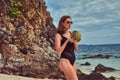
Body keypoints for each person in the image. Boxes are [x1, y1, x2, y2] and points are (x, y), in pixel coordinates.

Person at [55, 15, 79, 80]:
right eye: (68, 22)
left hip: (73, 60)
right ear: (62, 23)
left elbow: (76, 48)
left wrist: (75, 40)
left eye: (71, 22)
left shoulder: (71, 33)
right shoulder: (58, 35)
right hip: (65, 60)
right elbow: (58, 52)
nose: (70, 24)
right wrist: (67, 41)